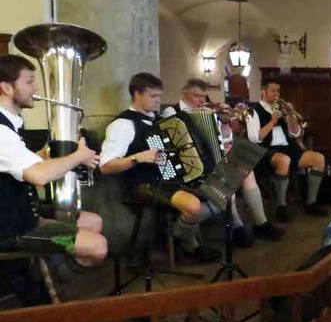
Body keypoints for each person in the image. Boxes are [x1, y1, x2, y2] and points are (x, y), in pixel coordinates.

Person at [0, 54, 107, 303]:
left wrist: (48, 154)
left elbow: (24, 164)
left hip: (23, 215)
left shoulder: (11, 124)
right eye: (29, 81)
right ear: (6, 87)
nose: (35, 88)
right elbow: (38, 176)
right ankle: (44, 290)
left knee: (93, 221)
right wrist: (79, 157)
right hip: (11, 230)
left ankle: (40, 279)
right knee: (98, 247)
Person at [99, 73, 222, 262]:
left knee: (221, 193)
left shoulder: (156, 119)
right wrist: (137, 158)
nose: (158, 102)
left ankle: (179, 232)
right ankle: (186, 243)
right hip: (143, 183)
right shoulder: (123, 125)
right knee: (193, 206)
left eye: (159, 96)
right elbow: (106, 166)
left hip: (169, 177)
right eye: (153, 96)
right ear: (137, 94)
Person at [161, 79, 285, 243]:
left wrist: (225, 122)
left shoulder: (205, 111)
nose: (201, 101)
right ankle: (237, 227)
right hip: (188, 165)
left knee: (246, 169)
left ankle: (260, 223)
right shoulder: (171, 111)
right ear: (184, 94)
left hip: (210, 161)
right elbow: (178, 139)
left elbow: (224, 139)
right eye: (197, 96)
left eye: (203, 97)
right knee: (228, 181)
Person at [246, 78, 327, 222]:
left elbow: (295, 134)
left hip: (287, 148)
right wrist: (272, 121)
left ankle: (311, 202)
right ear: (263, 92)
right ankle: (280, 206)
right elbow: (254, 138)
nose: (276, 94)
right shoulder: (252, 111)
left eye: (278, 91)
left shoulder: (281, 109)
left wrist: (290, 116)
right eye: (273, 91)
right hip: (265, 150)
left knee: (318, 158)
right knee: (284, 160)